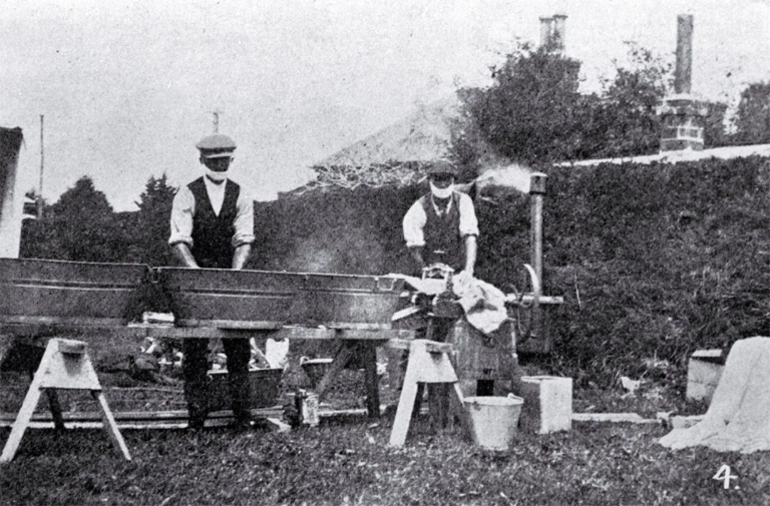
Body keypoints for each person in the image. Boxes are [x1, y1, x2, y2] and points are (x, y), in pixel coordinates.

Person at [169, 133, 256, 430]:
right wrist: (196, 274)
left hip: (230, 276)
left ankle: (242, 415)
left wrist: (233, 276)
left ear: (231, 159)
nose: (219, 165)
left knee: (238, 347)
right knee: (194, 349)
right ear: (202, 160)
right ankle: (196, 417)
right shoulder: (187, 193)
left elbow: (244, 238)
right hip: (197, 276)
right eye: (213, 160)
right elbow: (180, 240)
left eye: (224, 160)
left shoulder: (241, 193)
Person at [402, 160, 479, 280]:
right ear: (430, 181)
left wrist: (468, 270)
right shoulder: (418, 209)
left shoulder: (463, 202)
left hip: (458, 272)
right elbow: (414, 247)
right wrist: (425, 271)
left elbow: (470, 239)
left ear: (453, 181)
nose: (443, 184)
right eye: (438, 179)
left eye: (447, 179)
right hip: (428, 271)